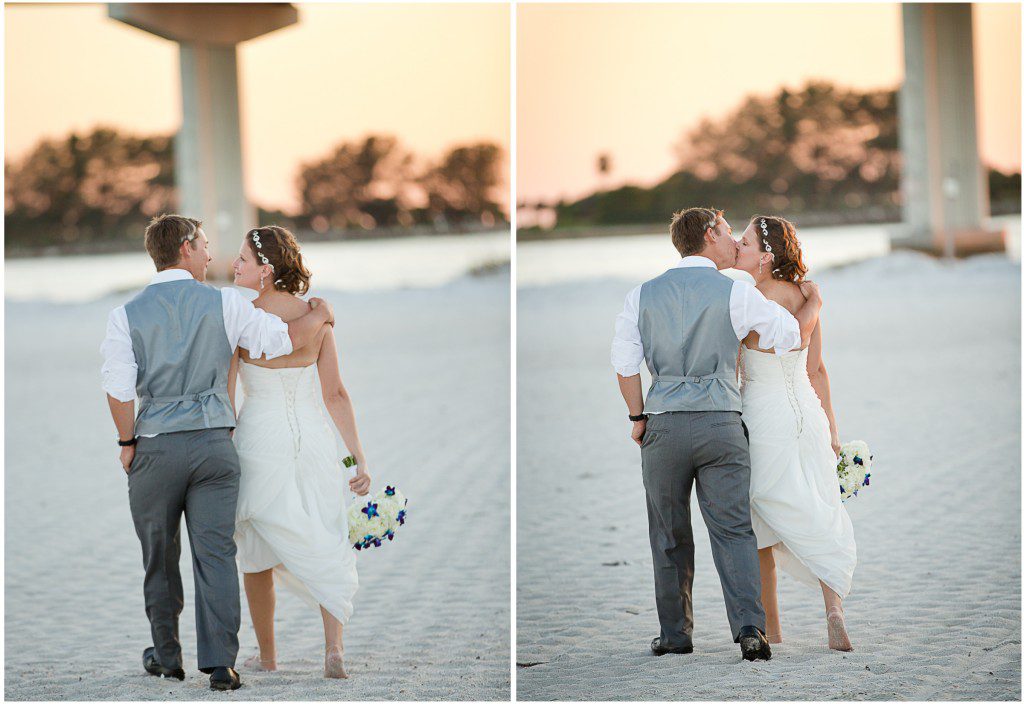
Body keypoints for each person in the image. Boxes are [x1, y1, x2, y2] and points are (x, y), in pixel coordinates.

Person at [100, 214, 335, 690]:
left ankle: (167, 657)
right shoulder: (227, 303)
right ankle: (222, 665)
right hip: (213, 447)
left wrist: (127, 443)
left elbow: (119, 392)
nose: (212, 254)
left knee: (159, 555)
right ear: (186, 247)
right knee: (216, 554)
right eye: (205, 245)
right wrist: (318, 315)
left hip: (156, 449)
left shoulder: (125, 314)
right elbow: (280, 341)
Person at [611, 206, 821, 661]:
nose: (733, 241)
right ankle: (750, 629)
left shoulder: (640, 295)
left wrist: (637, 418)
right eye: (728, 233)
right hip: (722, 424)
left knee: (668, 532)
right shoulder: (735, 293)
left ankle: (675, 635)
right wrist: (812, 304)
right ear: (709, 234)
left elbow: (625, 365)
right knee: (733, 530)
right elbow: (789, 336)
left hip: (663, 425)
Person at [228, 226, 371, 679]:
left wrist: (220, 447)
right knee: (326, 533)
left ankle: (268, 657)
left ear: (265, 271)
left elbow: (226, 394)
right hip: (312, 440)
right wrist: (356, 459)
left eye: (242, 260)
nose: (234, 265)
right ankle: (334, 650)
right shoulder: (317, 315)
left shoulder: (242, 317)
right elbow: (336, 395)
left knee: (254, 553)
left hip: (258, 440)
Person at [733, 214, 856, 651]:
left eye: (743, 241)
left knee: (761, 520)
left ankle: (774, 628)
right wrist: (833, 430)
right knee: (820, 505)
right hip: (808, 412)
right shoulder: (805, 295)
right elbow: (816, 368)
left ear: (765, 257)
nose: (735, 244)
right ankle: (834, 612)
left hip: (765, 414)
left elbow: (734, 370)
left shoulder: (745, 299)